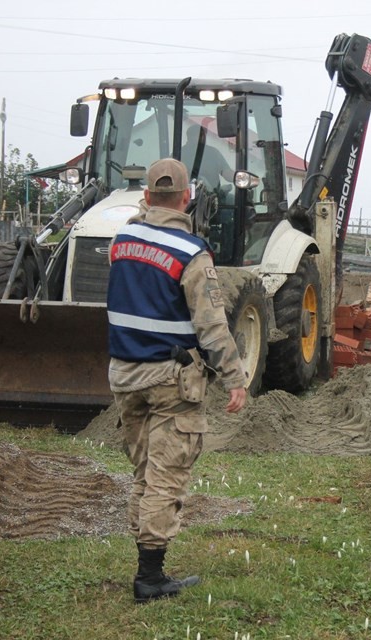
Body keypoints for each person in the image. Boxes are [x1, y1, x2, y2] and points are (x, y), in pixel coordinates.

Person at [106, 157, 248, 604]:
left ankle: (147, 563)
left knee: (144, 473)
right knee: (166, 477)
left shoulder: (121, 241)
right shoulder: (191, 253)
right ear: (187, 198)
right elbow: (212, 326)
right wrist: (235, 377)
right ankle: (150, 578)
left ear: (146, 197)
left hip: (124, 375)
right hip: (170, 380)